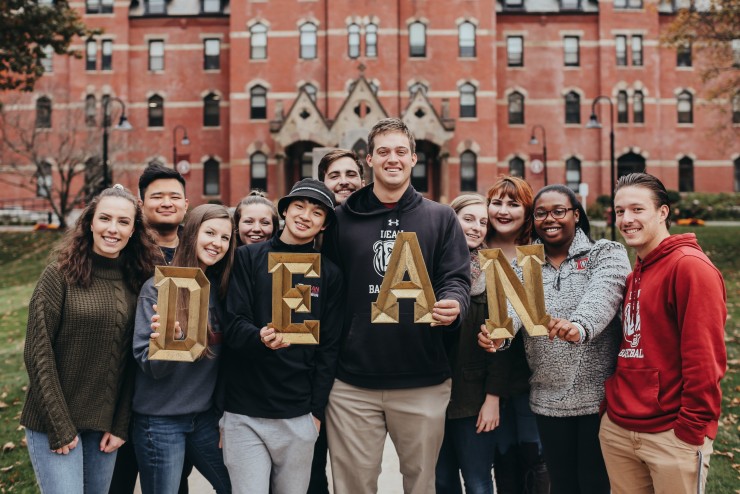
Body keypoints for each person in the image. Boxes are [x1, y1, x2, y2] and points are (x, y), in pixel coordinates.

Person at [322, 118, 470, 494]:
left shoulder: (440, 218)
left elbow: (456, 276)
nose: (393, 159)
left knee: (421, 486)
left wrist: (454, 302)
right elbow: (322, 288)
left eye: (400, 151)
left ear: (414, 159)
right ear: (368, 159)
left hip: (422, 379)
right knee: (353, 488)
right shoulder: (339, 222)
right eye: (383, 152)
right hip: (352, 383)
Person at [479, 184, 631, 494]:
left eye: (559, 211)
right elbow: (512, 314)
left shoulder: (605, 252)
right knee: (561, 485)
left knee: (595, 485)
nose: (550, 219)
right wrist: (499, 337)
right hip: (548, 400)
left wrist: (579, 326)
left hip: (600, 400)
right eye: (541, 213)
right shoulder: (526, 265)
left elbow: (604, 294)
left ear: (576, 215)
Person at [21, 185, 160, 493]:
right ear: (90, 223)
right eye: (105, 218)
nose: (113, 229)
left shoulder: (137, 281)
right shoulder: (59, 275)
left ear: (134, 230)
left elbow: (128, 364)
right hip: (52, 422)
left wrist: (120, 424)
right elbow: (37, 352)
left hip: (103, 428)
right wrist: (59, 425)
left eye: (123, 222)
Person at [599, 173, 727, 493]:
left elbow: (705, 360)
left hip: (671, 435)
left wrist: (691, 430)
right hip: (620, 428)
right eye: (619, 211)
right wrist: (610, 413)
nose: (626, 219)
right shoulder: (637, 269)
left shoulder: (690, 268)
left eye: (637, 210)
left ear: (663, 212)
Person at [222, 179, 344, 494]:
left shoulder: (329, 273)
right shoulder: (249, 259)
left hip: (298, 414)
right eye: (299, 206)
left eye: (317, 213)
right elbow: (233, 323)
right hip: (245, 412)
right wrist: (258, 337)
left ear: (324, 224)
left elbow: (329, 348)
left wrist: (315, 413)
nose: (306, 216)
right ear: (285, 210)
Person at [131, 204, 235, 494]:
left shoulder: (222, 289)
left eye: (225, 238)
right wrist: (169, 343)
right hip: (159, 420)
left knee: (238, 485)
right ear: (191, 233)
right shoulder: (158, 287)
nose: (217, 243)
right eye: (210, 232)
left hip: (204, 418)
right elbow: (148, 365)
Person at [110, 163, 190, 494]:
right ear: (142, 204)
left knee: (172, 484)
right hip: (118, 388)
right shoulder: (122, 250)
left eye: (175, 196)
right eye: (157, 196)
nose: (167, 202)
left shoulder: (200, 252)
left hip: (171, 396)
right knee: (117, 482)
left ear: (186, 204)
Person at [484, 177, 549, 494]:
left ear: (527, 211)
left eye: (513, 204)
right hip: (483, 373)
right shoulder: (473, 250)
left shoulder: (539, 255)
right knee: (502, 457)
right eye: (497, 202)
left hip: (529, 374)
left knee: (533, 454)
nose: (504, 210)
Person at [307, 149, 365, 494]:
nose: (344, 181)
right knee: (312, 462)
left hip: (356, 364)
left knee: (353, 466)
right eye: (334, 175)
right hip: (312, 358)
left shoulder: (377, 223)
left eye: (350, 174)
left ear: (362, 179)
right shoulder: (309, 229)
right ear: (324, 183)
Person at [435, 193, 499, 494]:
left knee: (478, 483)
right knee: (442, 482)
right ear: (452, 220)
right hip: (431, 395)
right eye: (468, 219)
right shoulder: (431, 265)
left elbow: (504, 343)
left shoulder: (494, 271)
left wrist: (493, 398)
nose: (477, 228)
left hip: (474, 398)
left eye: (483, 222)